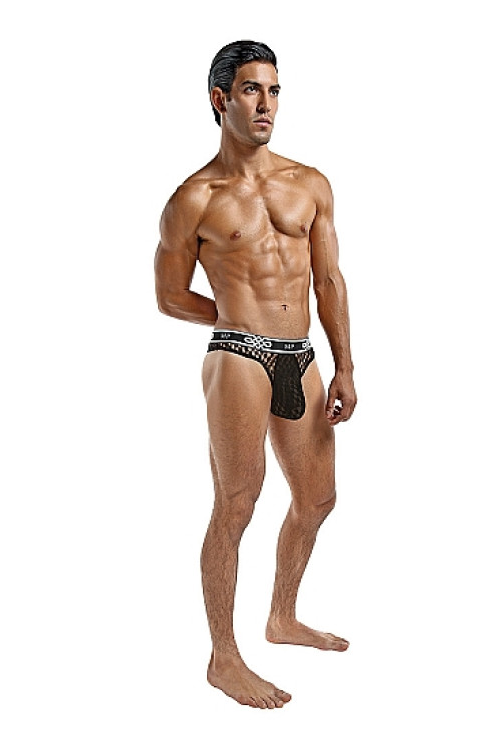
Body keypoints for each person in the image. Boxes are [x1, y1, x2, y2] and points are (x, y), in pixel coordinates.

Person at [154, 40, 356, 709]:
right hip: (238, 355)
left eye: (273, 90)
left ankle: (282, 617)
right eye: (250, 90)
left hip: (303, 356)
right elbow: (169, 295)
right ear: (220, 99)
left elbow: (328, 279)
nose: (265, 104)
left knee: (318, 499)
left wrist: (345, 365)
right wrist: (235, 314)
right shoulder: (193, 198)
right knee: (237, 504)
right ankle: (224, 657)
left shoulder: (309, 183)